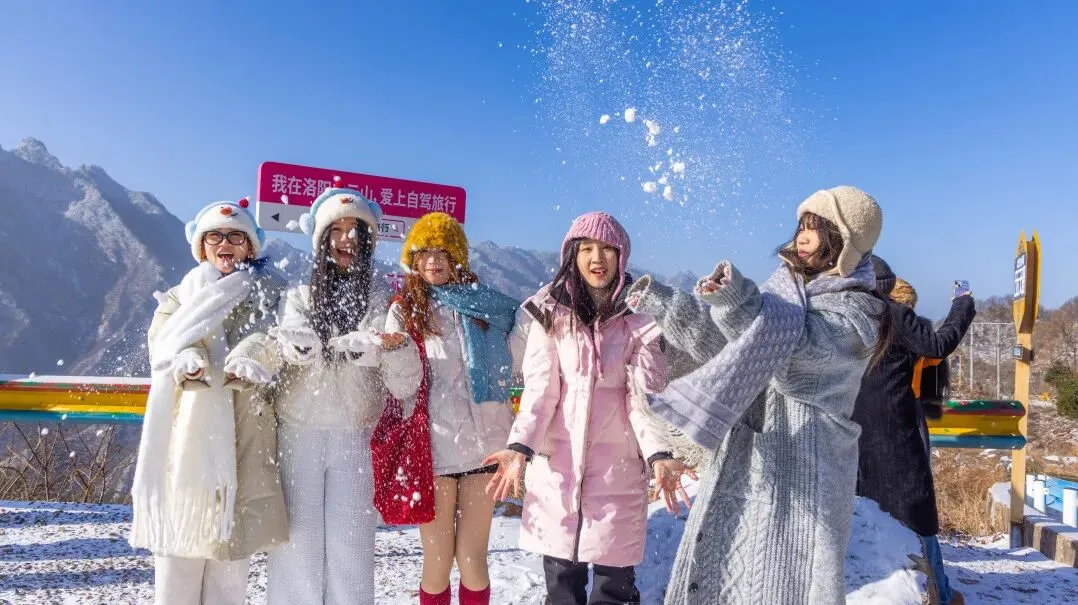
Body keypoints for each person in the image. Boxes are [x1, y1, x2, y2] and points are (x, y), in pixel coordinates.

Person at [627, 186, 890, 604]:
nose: (803, 237)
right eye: (802, 226)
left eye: (818, 229)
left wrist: (739, 301)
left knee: (783, 586)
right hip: (750, 460)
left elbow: (791, 361)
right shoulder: (785, 293)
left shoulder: (857, 314)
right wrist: (665, 302)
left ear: (846, 243)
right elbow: (729, 347)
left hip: (804, 473)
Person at [484, 211, 691, 605]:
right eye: (587, 249)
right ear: (572, 255)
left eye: (607, 249)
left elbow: (643, 400)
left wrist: (659, 453)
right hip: (557, 472)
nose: (598, 258)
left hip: (617, 474)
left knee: (613, 589)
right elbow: (540, 391)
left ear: (621, 256)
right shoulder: (550, 312)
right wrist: (520, 446)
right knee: (561, 586)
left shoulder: (639, 318)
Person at [258, 187, 423, 605]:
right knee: (297, 545)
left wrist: (393, 349)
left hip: (355, 437)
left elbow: (405, 385)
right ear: (320, 239)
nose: (346, 238)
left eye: (355, 230)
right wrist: (297, 346)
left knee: (352, 547)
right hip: (298, 432)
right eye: (336, 229)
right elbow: (283, 346)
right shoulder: (297, 297)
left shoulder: (381, 301)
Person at [130, 198, 288, 605]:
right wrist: (188, 358)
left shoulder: (268, 294)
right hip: (187, 447)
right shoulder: (179, 297)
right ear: (201, 245)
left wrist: (252, 356)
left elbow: (274, 337)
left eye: (236, 236)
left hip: (245, 441)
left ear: (250, 246)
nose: (226, 243)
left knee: (229, 571)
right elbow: (163, 344)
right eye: (215, 236)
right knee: (178, 567)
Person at [385, 212, 528, 605]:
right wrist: (395, 352)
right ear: (413, 260)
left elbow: (514, 364)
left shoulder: (486, 308)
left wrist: (532, 321)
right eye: (425, 252)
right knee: (436, 562)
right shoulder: (405, 311)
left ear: (457, 258)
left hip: (484, 449)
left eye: (443, 252)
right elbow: (401, 386)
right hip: (432, 451)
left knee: (472, 560)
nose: (434, 261)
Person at [853, 257, 976, 605]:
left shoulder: (847, 317)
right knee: (915, 507)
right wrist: (962, 304)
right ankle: (940, 591)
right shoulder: (897, 318)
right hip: (898, 423)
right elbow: (938, 352)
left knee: (870, 505)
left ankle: (891, 584)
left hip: (853, 427)